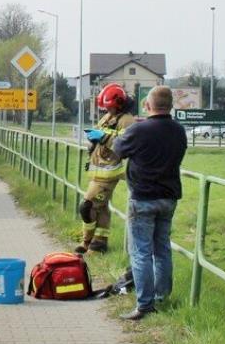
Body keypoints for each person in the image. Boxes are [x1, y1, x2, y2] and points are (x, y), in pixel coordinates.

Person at [112, 85, 186, 321]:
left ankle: (144, 305)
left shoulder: (139, 129)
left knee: (141, 252)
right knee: (162, 249)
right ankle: (162, 298)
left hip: (143, 198)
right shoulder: (179, 130)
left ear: (147, 105)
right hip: (168, 197)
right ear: (170, 106)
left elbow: (118, 150)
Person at [77, 83, 135, 254]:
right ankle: (99, 243)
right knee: (100, 208)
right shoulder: (108, 117)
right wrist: (93, 138)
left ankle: (86, 241)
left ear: (118, 103)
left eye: (109, 107)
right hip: (98, 170)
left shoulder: (127, 120)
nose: (107, 110)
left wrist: (103, 137)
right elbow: (100, 132)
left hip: (110, 172)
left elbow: (125, 143)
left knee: (87, 206)